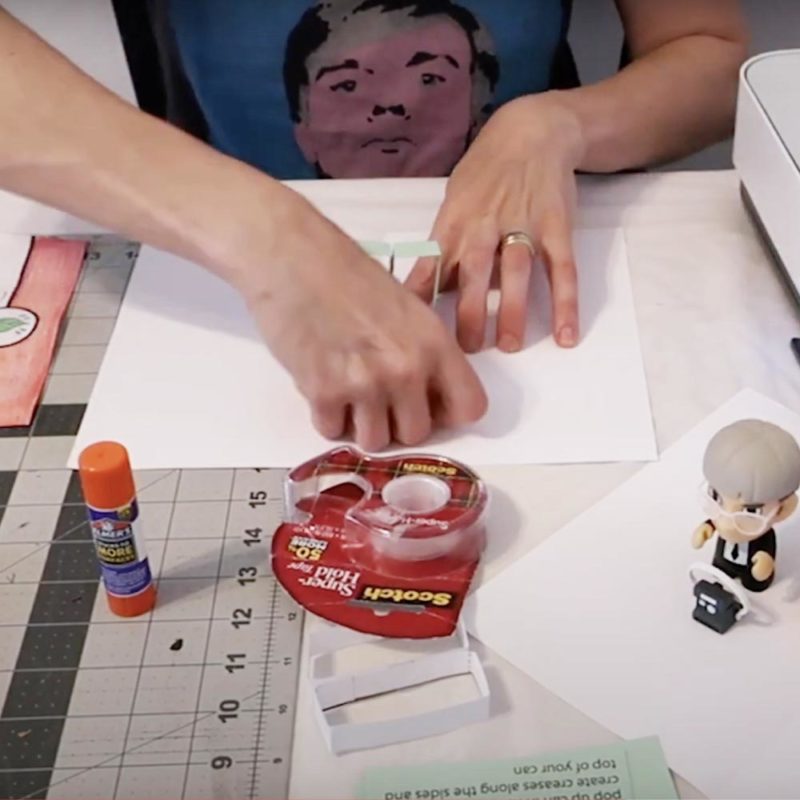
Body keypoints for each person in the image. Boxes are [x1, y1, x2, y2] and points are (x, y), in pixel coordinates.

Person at [0, 2, 749, 451]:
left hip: (564, 252)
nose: (386, 103)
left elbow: (710, 57)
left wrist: (558, 125)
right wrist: (265, 233)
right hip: (199, 273)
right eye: (346, 84)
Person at [692, 419, 800, 592]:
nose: (726, 524)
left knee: (755, 583)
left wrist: (764, 565)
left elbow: (765, 557)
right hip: (723, 561)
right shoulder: (720, 520)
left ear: (782, 510)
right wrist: (705, 529)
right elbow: (713, 524)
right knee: (719, 573)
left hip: (750, 570)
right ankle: (722, 571)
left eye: (751, 511)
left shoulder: (764, 536)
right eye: (716, 496)